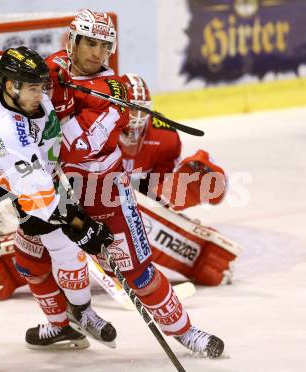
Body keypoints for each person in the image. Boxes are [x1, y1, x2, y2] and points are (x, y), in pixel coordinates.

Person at [45, 9, 224, 358]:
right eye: (91, 43)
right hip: (56, 191)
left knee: (139, 275)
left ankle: (186, 332)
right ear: (74, 41)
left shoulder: (116, 91)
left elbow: (78, 146)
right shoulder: (52, 68)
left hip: (106, 195)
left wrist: (64, 107)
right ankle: (61, 321)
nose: (97, 53)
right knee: (34, 255)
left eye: (104, 45)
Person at [0, 46, 114, 368]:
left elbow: (0, 62)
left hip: (32, 171)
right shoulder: (7, 137)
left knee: (65, 247)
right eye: (35, 88)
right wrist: (84, 227)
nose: (41, 93)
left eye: (43, 86)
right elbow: (45, 202)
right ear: (12, 87)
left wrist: (59, 69)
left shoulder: (2, 76)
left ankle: (82, 310)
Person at [119, 73, 239, 286]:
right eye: (130, 108)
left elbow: (158, 192)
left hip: (136, 195)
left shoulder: (165, 137)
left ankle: (200, 254)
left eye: (141, 109)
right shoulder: (97, 125)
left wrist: (163, 201)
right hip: (96, 190)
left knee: (157, 207)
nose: (136, 116)